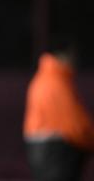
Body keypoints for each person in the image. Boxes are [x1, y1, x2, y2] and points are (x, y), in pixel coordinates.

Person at [24, 38, 94, 181]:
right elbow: (77, 125)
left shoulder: (44, 78)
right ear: (63, 55)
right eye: (73, 55)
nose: (76, 60)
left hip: (44, 155)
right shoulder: (55, 82)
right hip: (56, 156)